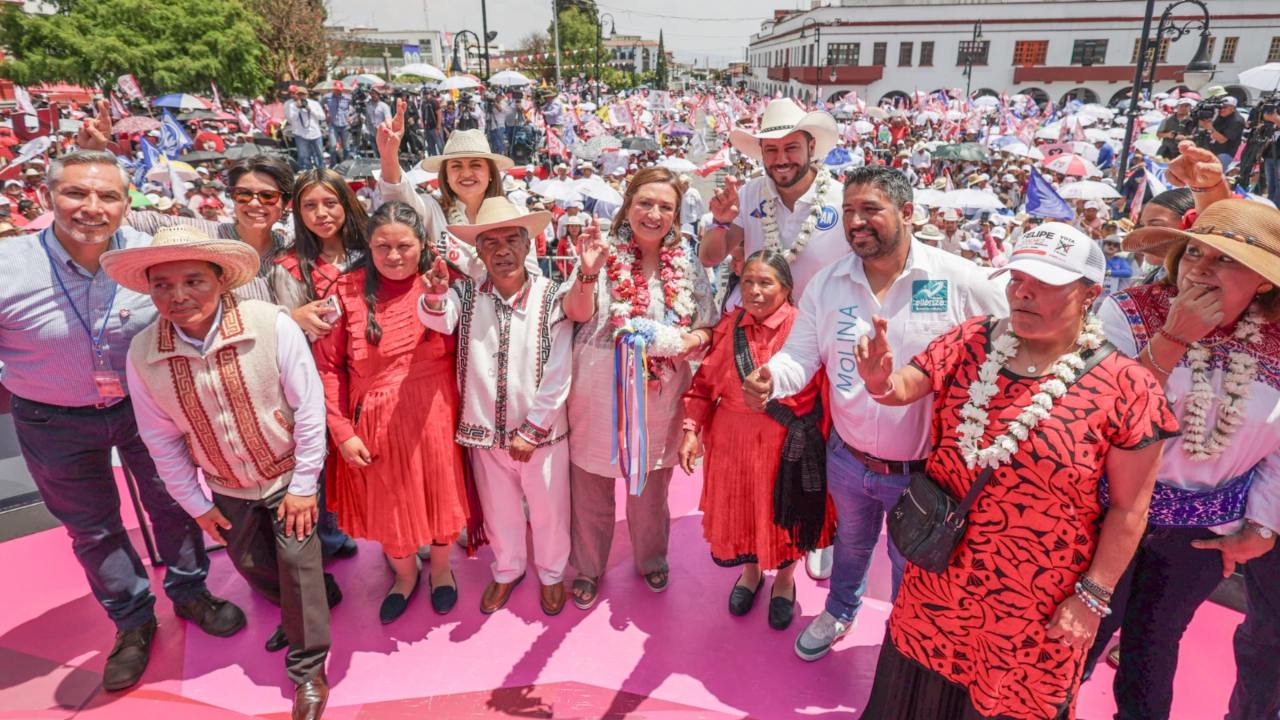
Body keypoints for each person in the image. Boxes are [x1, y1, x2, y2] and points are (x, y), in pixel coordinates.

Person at [852, 221, 1178, 720]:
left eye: (1043, 285)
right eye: (1016, 280)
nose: (1023, 294)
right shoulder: (973, 339)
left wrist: (1090, 599)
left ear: (1089, 294)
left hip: (1034, 606)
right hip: (939, 582)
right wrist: (879, 382)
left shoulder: (1128, 388)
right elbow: (902, 387)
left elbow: (1132, 509)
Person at [740, 166, 1008, 663]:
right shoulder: (827, 284)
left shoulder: (962, 280)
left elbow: (1013, 338)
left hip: (926, 472)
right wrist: (772, 378)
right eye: (847, 212)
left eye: (870, 210)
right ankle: (840, 611)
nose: (856, 222)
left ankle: (906, 636)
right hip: (848, 458)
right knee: (851, 548)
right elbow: (801, 356)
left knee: (912, 566)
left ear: (907, 214)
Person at [0, 150, 245, 693]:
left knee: (174, 503)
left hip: (146, 407)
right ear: (47, 197)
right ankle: (132, 623)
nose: (92, 207)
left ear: (126, 204)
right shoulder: (7, 264)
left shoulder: (148, 258)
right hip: (50, 420)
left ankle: (190, 592)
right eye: (76, 193)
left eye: (108, 196)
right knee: (92, 528)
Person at [103, 226, 333, 720]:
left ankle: (308, 668)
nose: (178, 295)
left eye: (193, 281)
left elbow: (310, 408)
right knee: (253, 565)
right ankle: (307, 607)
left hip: (286, 472)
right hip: (226, 484)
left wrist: (303, 485)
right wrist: (198, 505)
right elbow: (160, 440)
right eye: (162, 285)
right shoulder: (143, 354)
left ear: (221, 279)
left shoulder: (271, 323)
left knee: (297, 563)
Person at [1086, 142, 1280, 720]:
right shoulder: (1129, 312)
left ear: (1265, 283)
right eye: (1196, 251)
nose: (1200, 266)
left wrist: (1263, 528)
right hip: (1105, 520)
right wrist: (1171, 340)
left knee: (1154, 649)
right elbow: (1098, 414)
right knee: (1076, 640)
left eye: (1224, 260)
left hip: (1201, 540)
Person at [700, 97, 846, 581]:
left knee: (819, 440)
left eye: (791, 147)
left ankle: (813, 534)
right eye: (771, 149)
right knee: (759, 455)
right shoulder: (748, 194)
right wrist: (721, 223)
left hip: (821, 338)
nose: (781, 158)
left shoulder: (840, 200)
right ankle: (755, 556)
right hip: (758, 330)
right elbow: (711, 256)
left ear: (810, 147)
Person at [563, 166, 718, 610]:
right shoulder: (600, 251)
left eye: (664, 206)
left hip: (659, 395)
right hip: (597, 391)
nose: (653, 213)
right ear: (627, 205)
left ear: (677, 214)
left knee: (651, 487)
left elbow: (706, 326)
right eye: (644, 203)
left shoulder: (686, 261)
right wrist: (589, 273)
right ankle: (588, 566)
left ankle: (651, 557)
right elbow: (575, 314)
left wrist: (689, 340)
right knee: (590, 485)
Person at [313, 202, 470, 621]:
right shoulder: (344, 291)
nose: (394, 255)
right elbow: (327, 368)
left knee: (442, 500)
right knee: (390, 507)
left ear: (422, 245)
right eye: (383, 246)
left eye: (404, 245)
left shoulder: (441, 285)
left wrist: (437, 294)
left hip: (435, 417)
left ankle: (440, 571)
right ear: (369, 244)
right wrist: (342, 431)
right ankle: (404, 576)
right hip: (375, 426)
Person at [417, 197, 573, 616]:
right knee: (499, 508)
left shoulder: (552, 296)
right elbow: (437, 317)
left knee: (549, 509)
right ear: (480, 252)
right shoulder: (464, 294)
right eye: (490, 243)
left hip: (542, 435)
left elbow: (560, 370)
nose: (502, 250)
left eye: (511, 240)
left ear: (527, 246)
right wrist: (433, 293)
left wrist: (534, 429)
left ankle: (552, 574)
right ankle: (506, 570)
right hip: (483, 431)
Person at [679, 249, 835, 630]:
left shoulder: (805, 327)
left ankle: (784, 581)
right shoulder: (729, 326)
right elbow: (703, 386)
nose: (755, 290)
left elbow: (824, 390)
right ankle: (749, 574)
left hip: (788, 446)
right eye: (748, 281)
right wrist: (690, 430)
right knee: (746, 510)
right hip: (733, 444)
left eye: (765, 282)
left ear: (786, 289)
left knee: (786, 513)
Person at [376, 105, 538, 279]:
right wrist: (389, 155)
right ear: (445, 175)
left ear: (491, 173)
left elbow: (533, 275)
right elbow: (398, 198)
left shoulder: (516, 215)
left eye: (476, 165)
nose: (466, 173)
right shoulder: (433, 209)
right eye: (456, 166)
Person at [1198, 95, 1246, 169]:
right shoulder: (1219, 115)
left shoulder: (1237, 121)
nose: (1222, 109)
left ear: (1233, 108)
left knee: (1214, 177)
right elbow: (1205, 127)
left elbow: (1222, 140)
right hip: (1211, 150)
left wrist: (1210, 128)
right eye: (1220, 107)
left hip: (1224, 154)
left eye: (1225, 107)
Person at [286, 86, 327, 172]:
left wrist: (310, 110)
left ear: (307, 95)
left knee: (319, 154)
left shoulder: (314, 103)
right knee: (304, 155)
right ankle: (308, 172)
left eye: (303, 94)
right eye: (299, 94)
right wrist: (297, 109)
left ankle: (321, 171)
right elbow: (291, 120)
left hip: (315, 133)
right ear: (296, 95)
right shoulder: (292, 105)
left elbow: (322, 117)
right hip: (301, 134)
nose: (301, 96)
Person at [324, 82, 353, 164]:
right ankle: (333, 165)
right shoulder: (327, 97)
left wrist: (351, 116)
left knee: (346, 147)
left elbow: (354, 108)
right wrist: (325, 114)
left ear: (342, 90)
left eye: (339, 90)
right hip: (333, 124)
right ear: (333, 89)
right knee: (333, 146)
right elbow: (319, 106)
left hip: (345, 125)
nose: (337, 92)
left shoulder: (347, 98)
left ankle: (346, 164)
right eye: (336, 90)